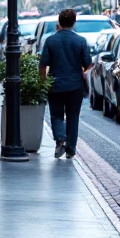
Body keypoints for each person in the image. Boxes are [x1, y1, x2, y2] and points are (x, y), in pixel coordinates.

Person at [39, 8, 92, 159]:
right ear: (74, 22)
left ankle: (60, 139)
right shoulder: (80, 41)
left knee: (56, 115)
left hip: (55, 84)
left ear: (59, 22)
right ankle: (70, 149)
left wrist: (43, 83)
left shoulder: (50, 40)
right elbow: (88, 64)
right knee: (73, 116)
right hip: (75, 85)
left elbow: (43, 65)